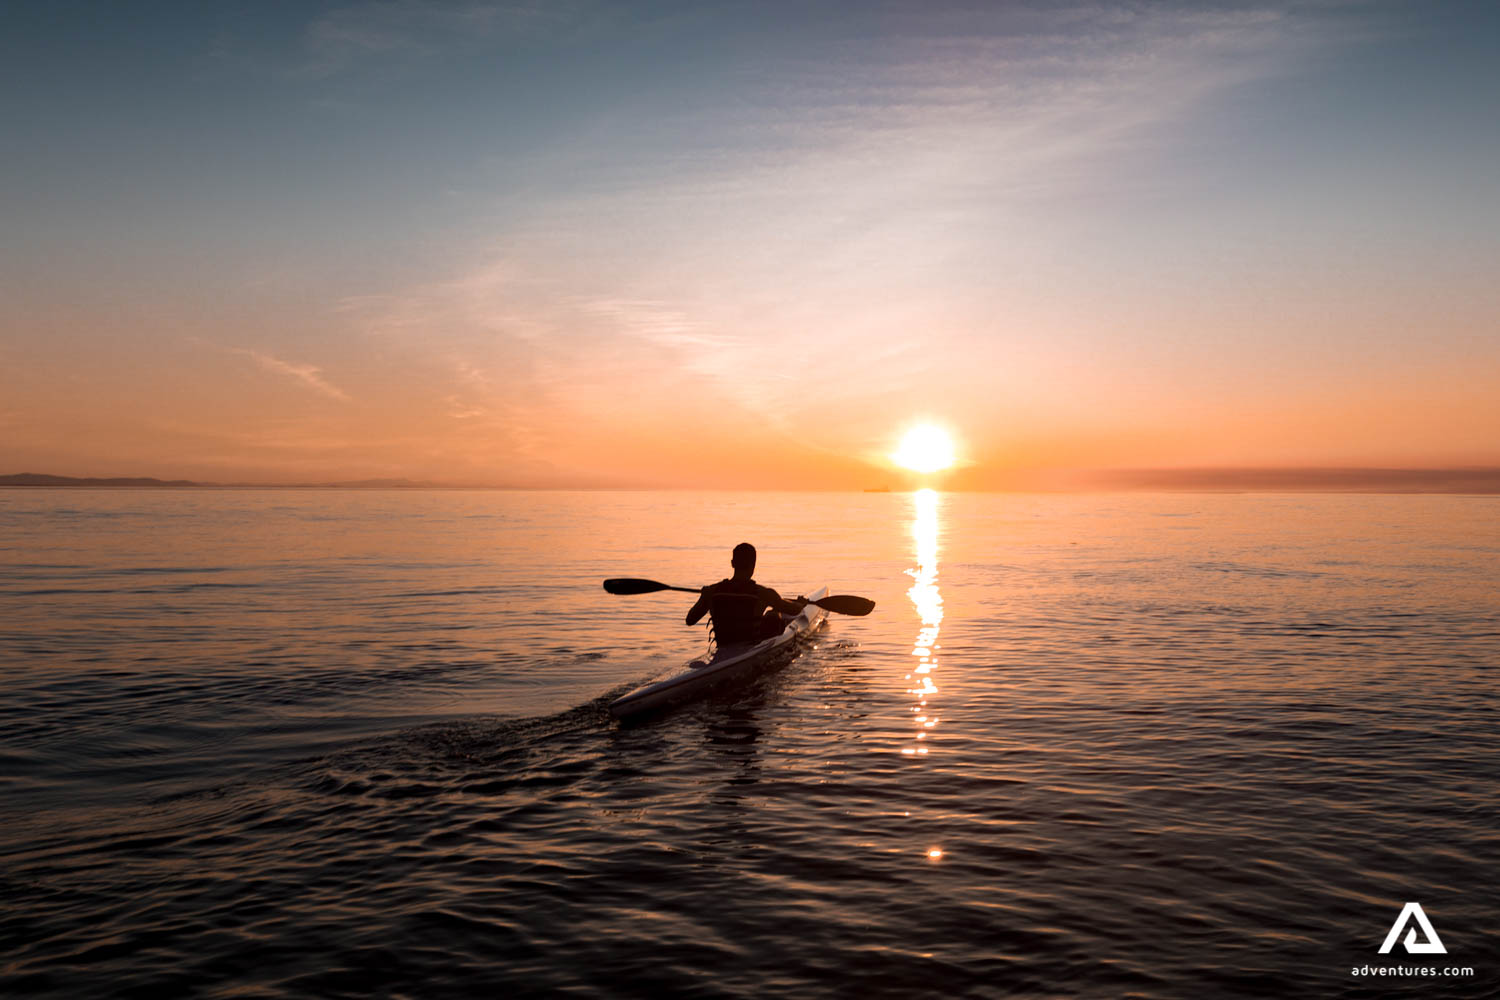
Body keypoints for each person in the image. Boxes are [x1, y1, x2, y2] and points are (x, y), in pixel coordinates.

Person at [686, 542, 808, 645]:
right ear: (753, 565)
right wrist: (801, 604)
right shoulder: (763, 593)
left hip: (724, 645)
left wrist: (703, 597)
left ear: (732, 563)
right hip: (750, 646)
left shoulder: (712, 591)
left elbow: (690, 620)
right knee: (773, 615)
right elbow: (794, 610)